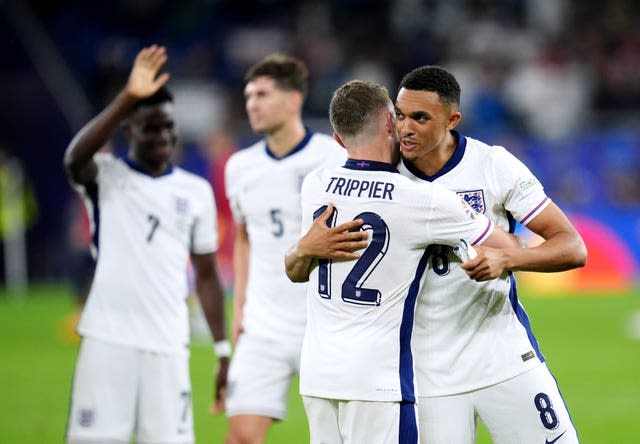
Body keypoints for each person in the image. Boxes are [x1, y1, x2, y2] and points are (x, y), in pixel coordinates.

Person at [291, 66, 587, 444]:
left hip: (503, 357)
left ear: (452, 120)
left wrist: (507, 260)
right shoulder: (381, 177)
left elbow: (571, 246)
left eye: (420, 117)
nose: (406, 128)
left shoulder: (492, 165)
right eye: (399, 115)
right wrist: (301, 250)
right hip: (425, 375)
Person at [63, 44, 230, 444]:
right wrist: (128, 98)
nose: (163, 136)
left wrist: (223, 350)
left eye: (168, 127)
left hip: (169, 346)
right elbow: (73, 159)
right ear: (128, 129)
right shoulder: (106, 177)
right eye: (151, 126)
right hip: (107, 340)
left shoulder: (195, 192)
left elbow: (206, 275)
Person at [223, 54, 346, 443]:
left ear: (293, 100)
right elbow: (244, 237)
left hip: (325, 322)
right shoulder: (239, 166)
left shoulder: (332, 157)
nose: (252, 104)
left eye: (262, 94)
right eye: (248, 96)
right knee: (241, 436)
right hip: (263, 325)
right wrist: (239, 309)